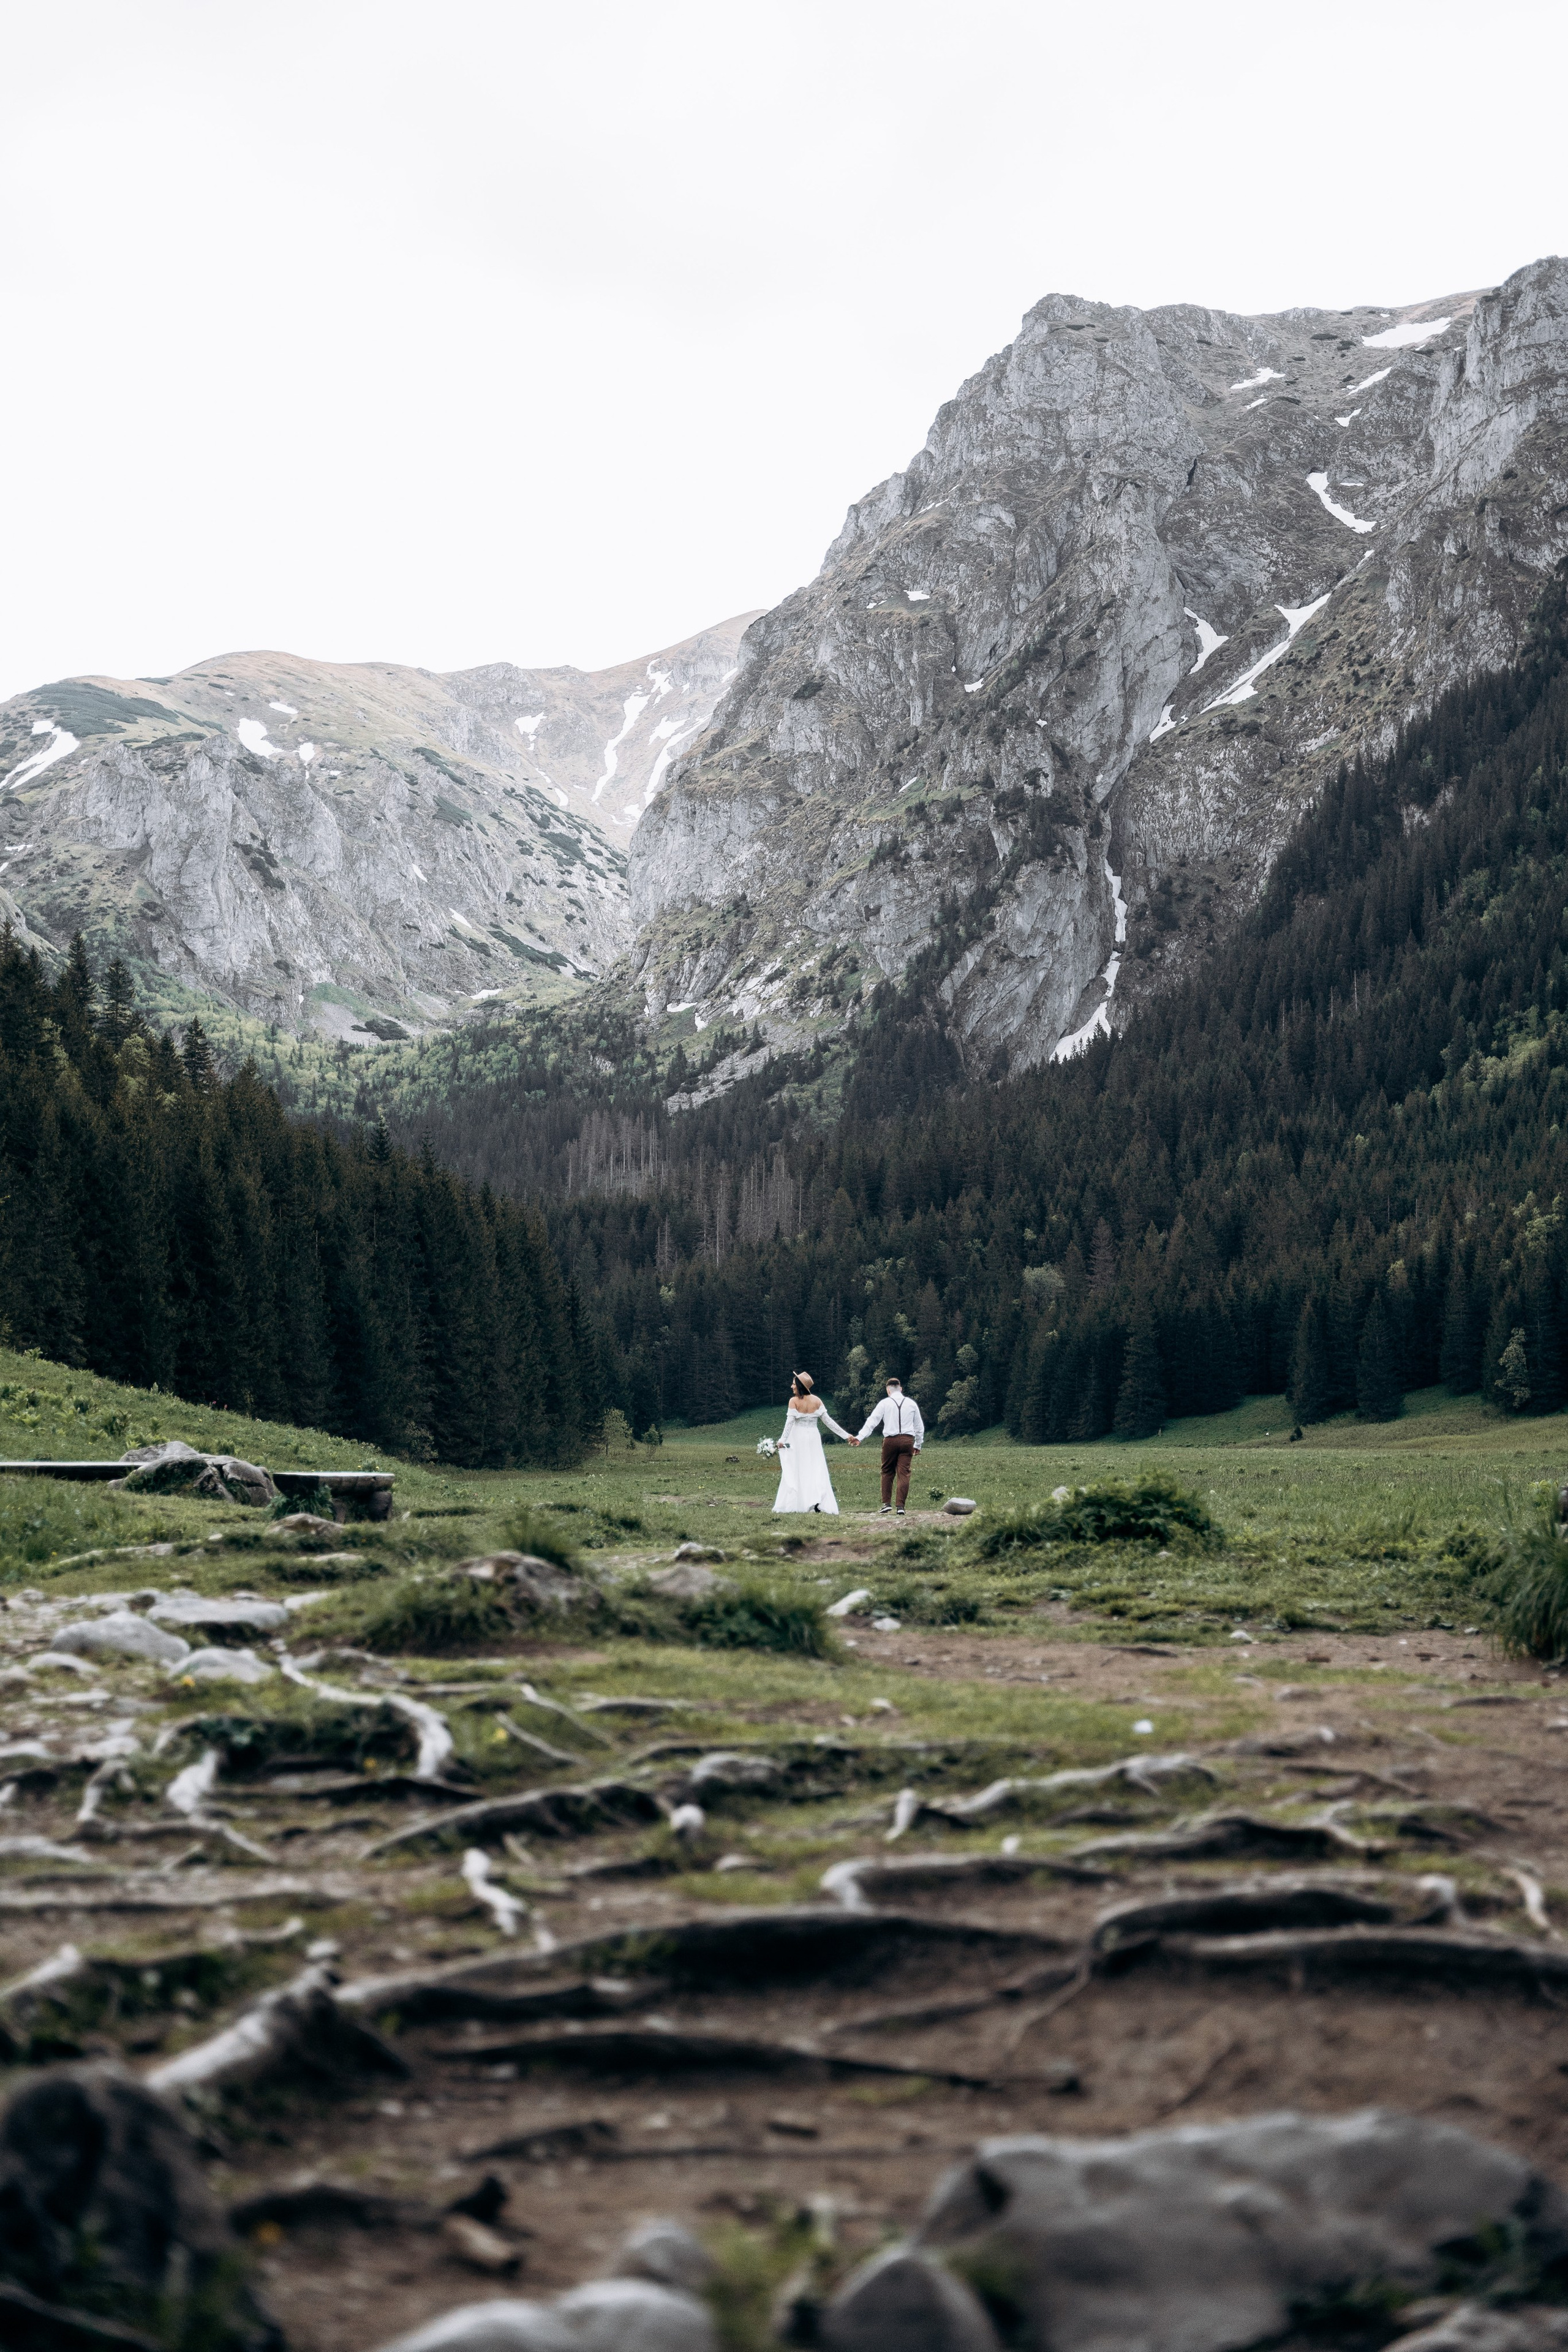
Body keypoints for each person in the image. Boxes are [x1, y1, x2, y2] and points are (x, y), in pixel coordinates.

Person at [772, 1372, 858, 1515]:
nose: (792, 1386)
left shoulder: (794, 1401)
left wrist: (782, 1441)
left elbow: (789, 1423)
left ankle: (802, 1502)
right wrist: (846, 1435)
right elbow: (829, 1422)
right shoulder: (817, 1401)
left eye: (794, 1383)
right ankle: (815, 1501)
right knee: (815, 1467)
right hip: (813, 1437)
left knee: (798, 1468)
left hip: (798, 1437)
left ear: (800, 1386)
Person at [856, 1376, 924, 1515]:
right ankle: (901, 1507)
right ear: (901, 1389)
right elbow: (919, 1427)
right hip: (907, 1441)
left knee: (887, 1471)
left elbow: (872, 1422)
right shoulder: (911, 1404)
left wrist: (860, 1438)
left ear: (888, 1391)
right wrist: (918, 1444)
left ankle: (887, 1504)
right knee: (904, 1473)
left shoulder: (884, 1403)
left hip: (890, 1441)